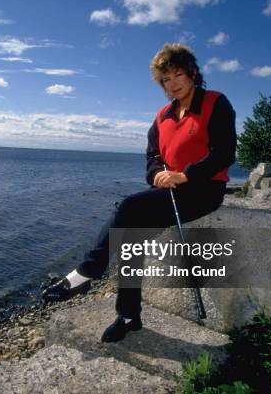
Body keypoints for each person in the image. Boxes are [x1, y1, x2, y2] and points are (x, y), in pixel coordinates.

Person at [42, 43, 237, 342]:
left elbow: (224, 152)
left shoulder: (216, 103)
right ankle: (129, 316)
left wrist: (186, 175)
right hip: (168, 193)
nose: (173, 84)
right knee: (130, 238)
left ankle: (85, 274)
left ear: (193, 73)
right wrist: (157, 173)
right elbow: (152, 157)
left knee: (128, 206)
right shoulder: (162, 117)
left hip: (204, 191)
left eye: (178, 76)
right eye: (166, 80)